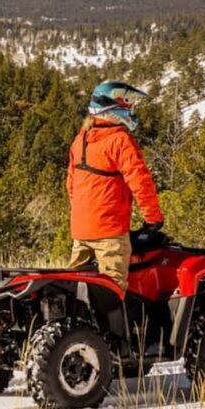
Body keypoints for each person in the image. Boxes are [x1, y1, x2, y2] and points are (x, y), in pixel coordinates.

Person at [66, 81, 164, 290]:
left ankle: (75, 323)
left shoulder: (80, 139)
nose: (129, 108)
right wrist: (153, 219)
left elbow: (71, 186)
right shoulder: (119, 140)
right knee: (113, 290)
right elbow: (141, 182)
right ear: (112, 107)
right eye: (126, 103)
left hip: (80, 230)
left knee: (73, 288)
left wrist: (84, 215)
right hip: (109, 233)